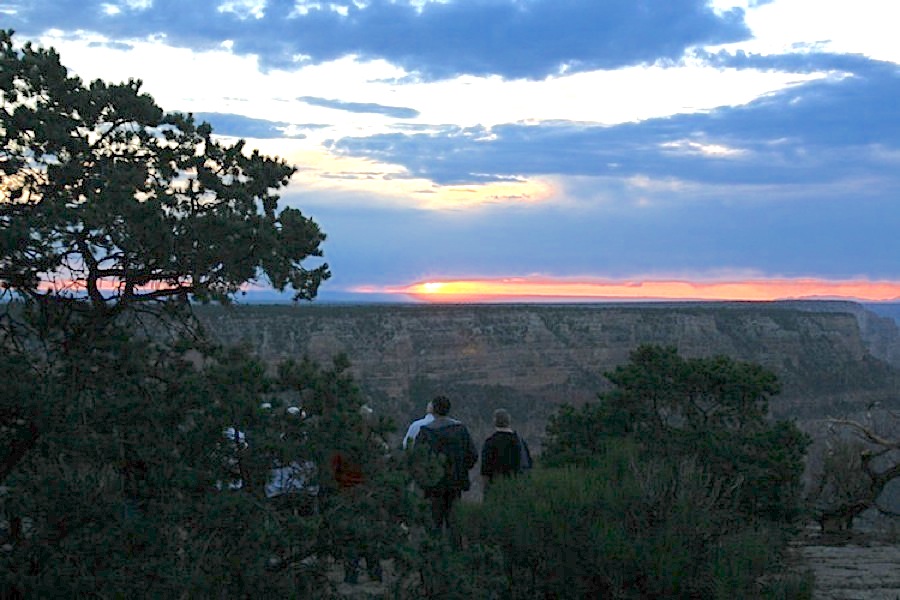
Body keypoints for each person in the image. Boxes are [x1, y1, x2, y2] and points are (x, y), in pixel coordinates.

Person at [415, 395, 477, 541]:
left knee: (433, 525)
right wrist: (461, 470)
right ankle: (455, 557)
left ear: (433, 410)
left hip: (433, 486)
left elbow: (417, 458)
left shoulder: (425, 432)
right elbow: (472, 455)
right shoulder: (460, 430)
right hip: (455, 484)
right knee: (454, 524)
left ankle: (434, 556)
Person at [481, 408, 532, 494]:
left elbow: (485, 470)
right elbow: (528, 464)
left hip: (496, 487)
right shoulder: (519, 442)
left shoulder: (490, 442)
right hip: (516, 487)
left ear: (495, 421)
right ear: (509, 421)